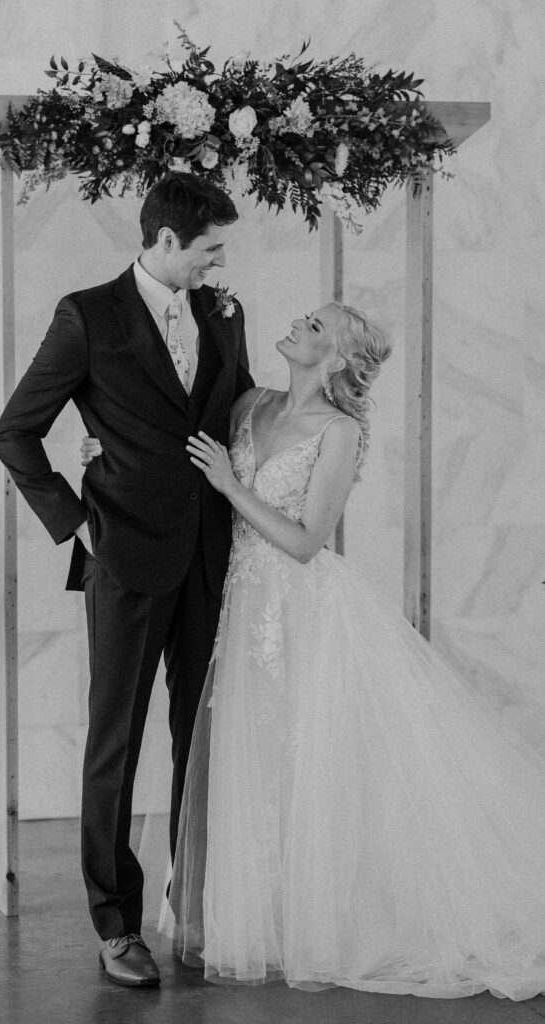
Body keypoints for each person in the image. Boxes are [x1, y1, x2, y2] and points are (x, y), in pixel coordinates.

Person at [165, 301, 545, 999]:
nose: (297, 325)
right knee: (252, 760)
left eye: (314, 327)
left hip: (301, 610)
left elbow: (307, 541)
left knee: (314, 763)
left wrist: (228, 484)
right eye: (304, 317)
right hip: (242, 608)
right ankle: (262, 918)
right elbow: (175, 444)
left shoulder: (339, 432)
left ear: (336, 359)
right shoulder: (251, 403)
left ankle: (329, 920)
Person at [0, 172, 254, 988]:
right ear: (166, 240)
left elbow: (235, 411)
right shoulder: (86, 316)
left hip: (210, 553)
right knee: (116, 742)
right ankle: (116, 926)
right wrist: (76, 524)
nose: (218, 266)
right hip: (123, 557)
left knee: (199, 742)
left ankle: (194, 907)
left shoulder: (224, 311)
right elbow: (16, 433)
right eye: (209, 250)